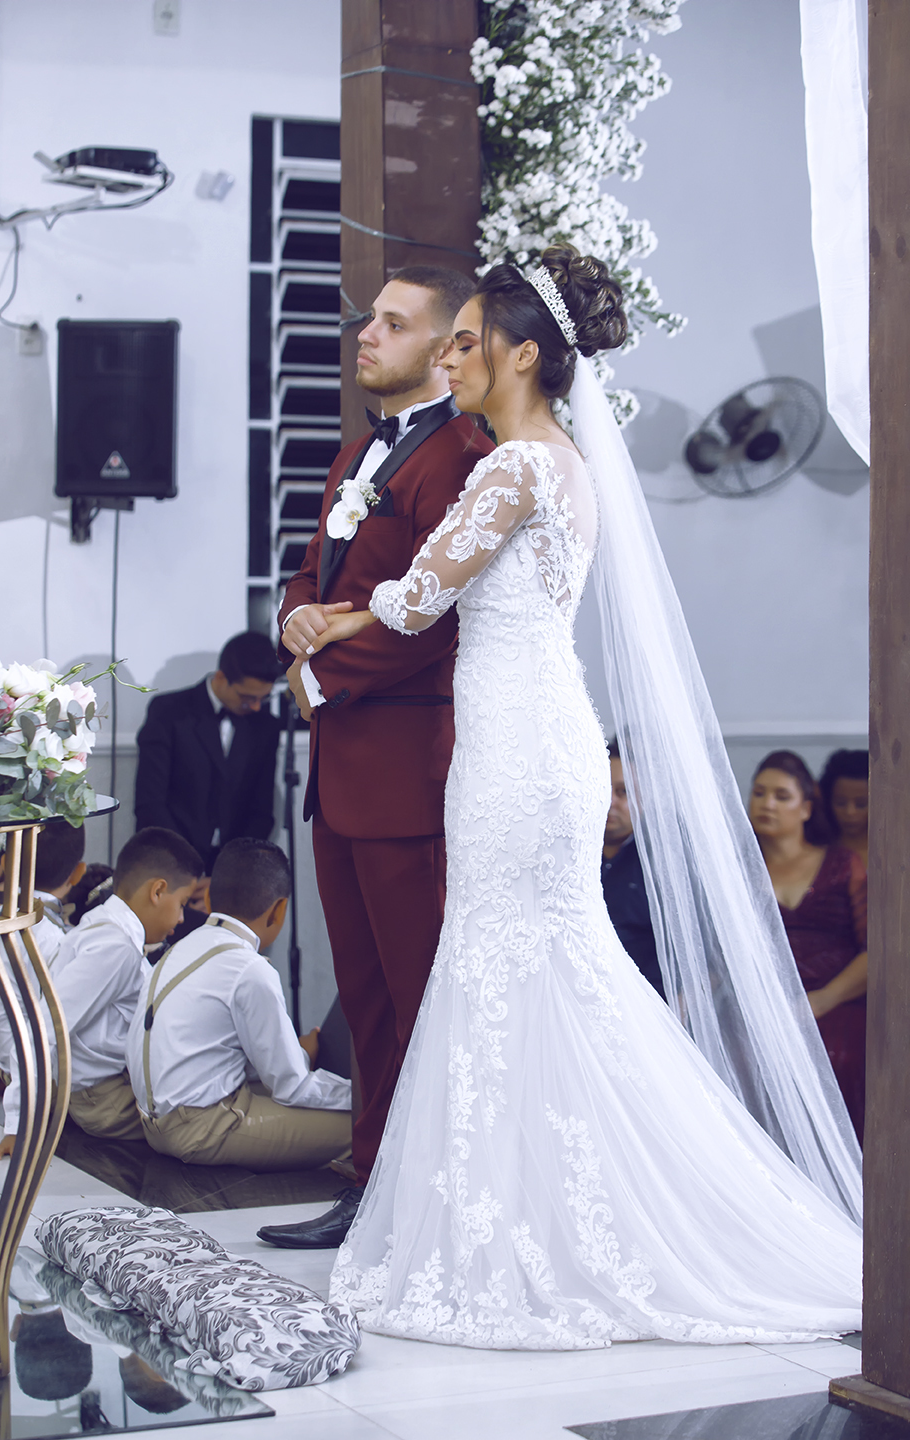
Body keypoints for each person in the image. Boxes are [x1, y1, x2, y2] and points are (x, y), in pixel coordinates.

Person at [282, 246, 861, 1347]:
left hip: (518, 749)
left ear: (521, 355)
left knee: (504, 965)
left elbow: (416, 600)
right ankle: (531, 1210)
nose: (453, 358)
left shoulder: (514, 468)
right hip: (531, 734)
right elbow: (422, 598)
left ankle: (519, 1222)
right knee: (532, 970)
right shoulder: (564, 463)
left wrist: (326, 625)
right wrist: (338, 618)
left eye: (466, 342)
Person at [256, 265, 493, 1250]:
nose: (367, 335)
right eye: (369, 320)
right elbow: (312, 576)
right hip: (341, 772)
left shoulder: (464, 456)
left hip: (408, 773)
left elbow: (436, 621)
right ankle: (374, 1188)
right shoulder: (357, 453)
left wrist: (319, 674)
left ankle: (436, 1199)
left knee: (421, 996)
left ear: (443, 348)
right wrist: (293, 621)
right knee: (364, 997)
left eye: (393, 324)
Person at [127, 837, 351, 1170]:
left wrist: (299, 1055)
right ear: (279, 910)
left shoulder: (178, 951)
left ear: (207, 897)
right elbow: (292, 1088)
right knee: (365, 1125)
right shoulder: (250, 968)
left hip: (154, 1122)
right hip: (201, 1128)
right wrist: (366, 1097)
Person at [51, 827, 202, 1139]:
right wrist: (20, 1121)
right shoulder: (116, 945)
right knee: (203, 1122)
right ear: (157, 891)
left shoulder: (110, 927)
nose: (181, 918)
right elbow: (49, 1025)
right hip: (101, 1099)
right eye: (183, 903)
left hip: (100, 1089)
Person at [750, 751, 867, 1142]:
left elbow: (876, 952)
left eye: (781, 796)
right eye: (759, 793)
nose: (767, 804)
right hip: (765, 1007)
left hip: (836, 1003)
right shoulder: (736, 871)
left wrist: (819, 1001)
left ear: (806, 807)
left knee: (840, 1057)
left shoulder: (844, 863)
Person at [0, 819, 87, 1159]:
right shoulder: (58, 941)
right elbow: (40, 1036)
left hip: (0, 1065)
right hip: (37, 1083)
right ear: (78, 873)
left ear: (7, 862)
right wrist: (18, 1124)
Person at [134, 632, 282, 873]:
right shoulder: (168, 712)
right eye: (247, 698)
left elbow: (262, 811)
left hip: (233, 868)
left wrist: (229, 873)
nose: (256, 707)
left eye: (262, 699)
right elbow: (150, 804)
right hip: (168, 861)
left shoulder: (266, 727)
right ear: (221, 677)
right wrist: (185, 871)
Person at [600, 739, 665, 1000]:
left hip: (648, 1001)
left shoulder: (659, 862)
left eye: (623, 792)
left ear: (644, 797)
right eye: (602, 788)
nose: (609, 801)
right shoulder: (569, 853)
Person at [819, 748, 869, 869]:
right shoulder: (816, 852)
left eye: (861, 804)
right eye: (840, 803)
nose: (850, 812)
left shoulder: (898, 851)